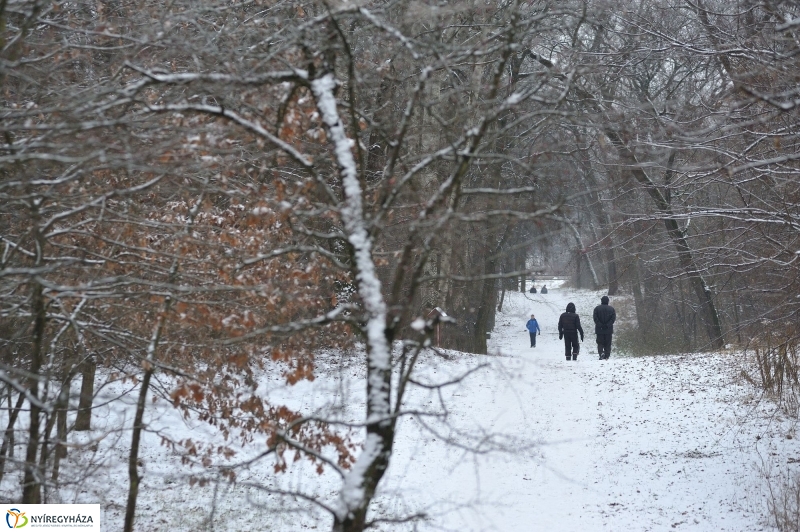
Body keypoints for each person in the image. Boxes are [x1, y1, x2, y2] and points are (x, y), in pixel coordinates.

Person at [593, 295, 617, 360]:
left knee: (600, 342)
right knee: (608, 343)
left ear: (601, 301)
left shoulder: (596, 309)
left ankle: (601, 353)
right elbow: (613, 319)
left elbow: (595, 318)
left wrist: (600, 325)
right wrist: (607, 325)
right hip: (608, 330)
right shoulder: (611, 309)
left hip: (599, 330)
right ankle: (607, 355)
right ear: (607, 301)